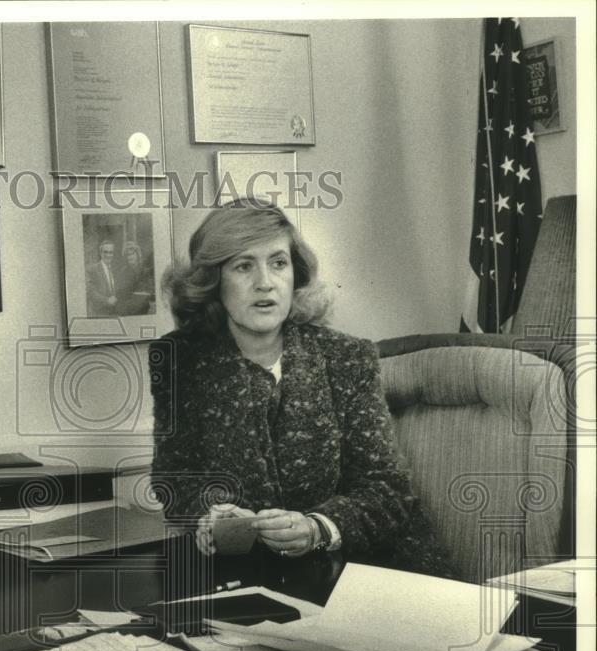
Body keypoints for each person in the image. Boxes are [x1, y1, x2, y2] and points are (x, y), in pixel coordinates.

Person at [149, 200, 454, 577]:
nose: (265, 281)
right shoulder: (180, 359)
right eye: (243, 266)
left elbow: (387, 491)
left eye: (278, 262)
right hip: (246, 575)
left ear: (296, 273)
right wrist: (214, 512)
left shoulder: (347, 357)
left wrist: (315, 528)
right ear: (213, 281)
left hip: (365, 574)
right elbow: (175, 475)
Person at [85, 239, 123, 317]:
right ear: (100, 253)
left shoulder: (116, 269)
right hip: (100, 313)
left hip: (115, 313)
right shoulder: (92, 269)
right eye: (105, 252)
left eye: (110, 252)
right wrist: (107, 301)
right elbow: (91, 292)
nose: (108, 255)